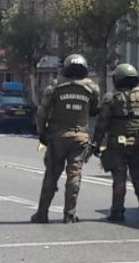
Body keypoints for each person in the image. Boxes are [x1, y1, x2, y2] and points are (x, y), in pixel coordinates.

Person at [31, 54, 100, 224]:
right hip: (80, 137)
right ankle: (69, 213)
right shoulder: (92, 88)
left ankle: (42, 213)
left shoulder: (55, 86)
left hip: (58, 137)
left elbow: (41, 113)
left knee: (51, 175)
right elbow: (94, 110)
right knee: (74, 174)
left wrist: (42, 133)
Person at [93, 63, 139, 222]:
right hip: (137, 144)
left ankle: (117, 212)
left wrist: (96, 143)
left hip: (117, 145)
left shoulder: (111, 98)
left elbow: (102, 124)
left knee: (119, 179)